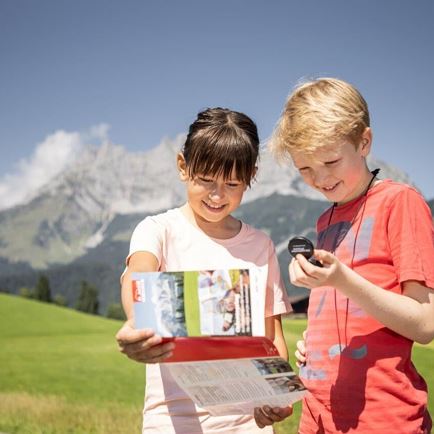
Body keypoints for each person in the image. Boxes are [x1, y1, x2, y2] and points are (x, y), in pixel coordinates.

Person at [255, 78, 434, 433]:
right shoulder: (327, 218)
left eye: (331, 161)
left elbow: (426, 324)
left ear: (364, 142)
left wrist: (342, 279)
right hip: (318, 414)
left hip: (382, 418)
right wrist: (317, 343)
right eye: (304, 169)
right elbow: (346, 315)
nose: (319, 178)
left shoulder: (399, 202)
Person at [115, 107, 293, 434]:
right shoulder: (157, 230)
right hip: (172, 422)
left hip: (247, 427)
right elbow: (140, 276)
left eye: (232, 183)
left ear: (251, 176)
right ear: (183, 166)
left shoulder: (260, 246)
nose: (217, 195)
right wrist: (136, 321)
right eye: (206, 180)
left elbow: (272, 336)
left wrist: (277, 394)